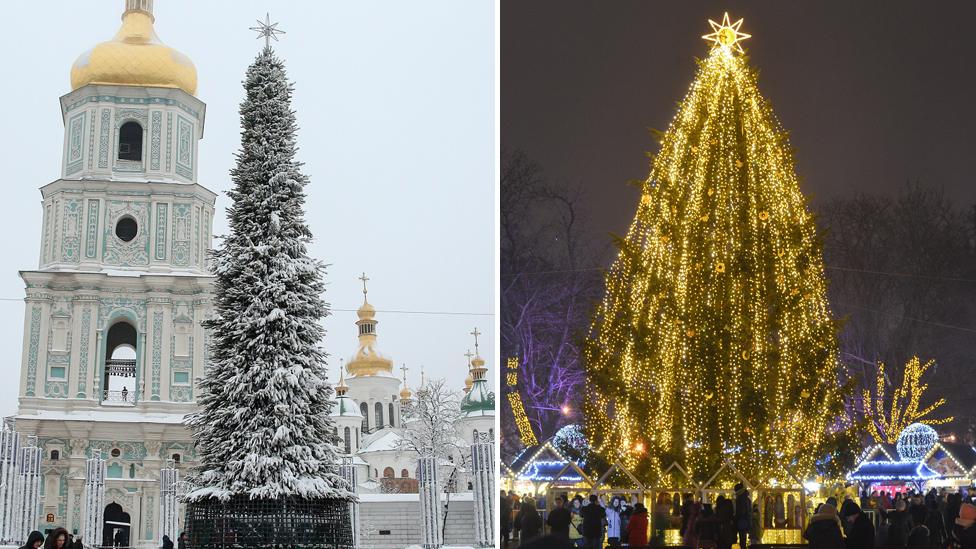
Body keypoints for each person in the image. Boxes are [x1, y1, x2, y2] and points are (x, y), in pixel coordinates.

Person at [734, 483, 752, 549]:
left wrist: (735, 518)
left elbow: (741, 511)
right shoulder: (747, 498)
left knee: (742, 539)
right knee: (743, 540)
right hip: (746, 521)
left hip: (741, 521)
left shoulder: (740, 498)